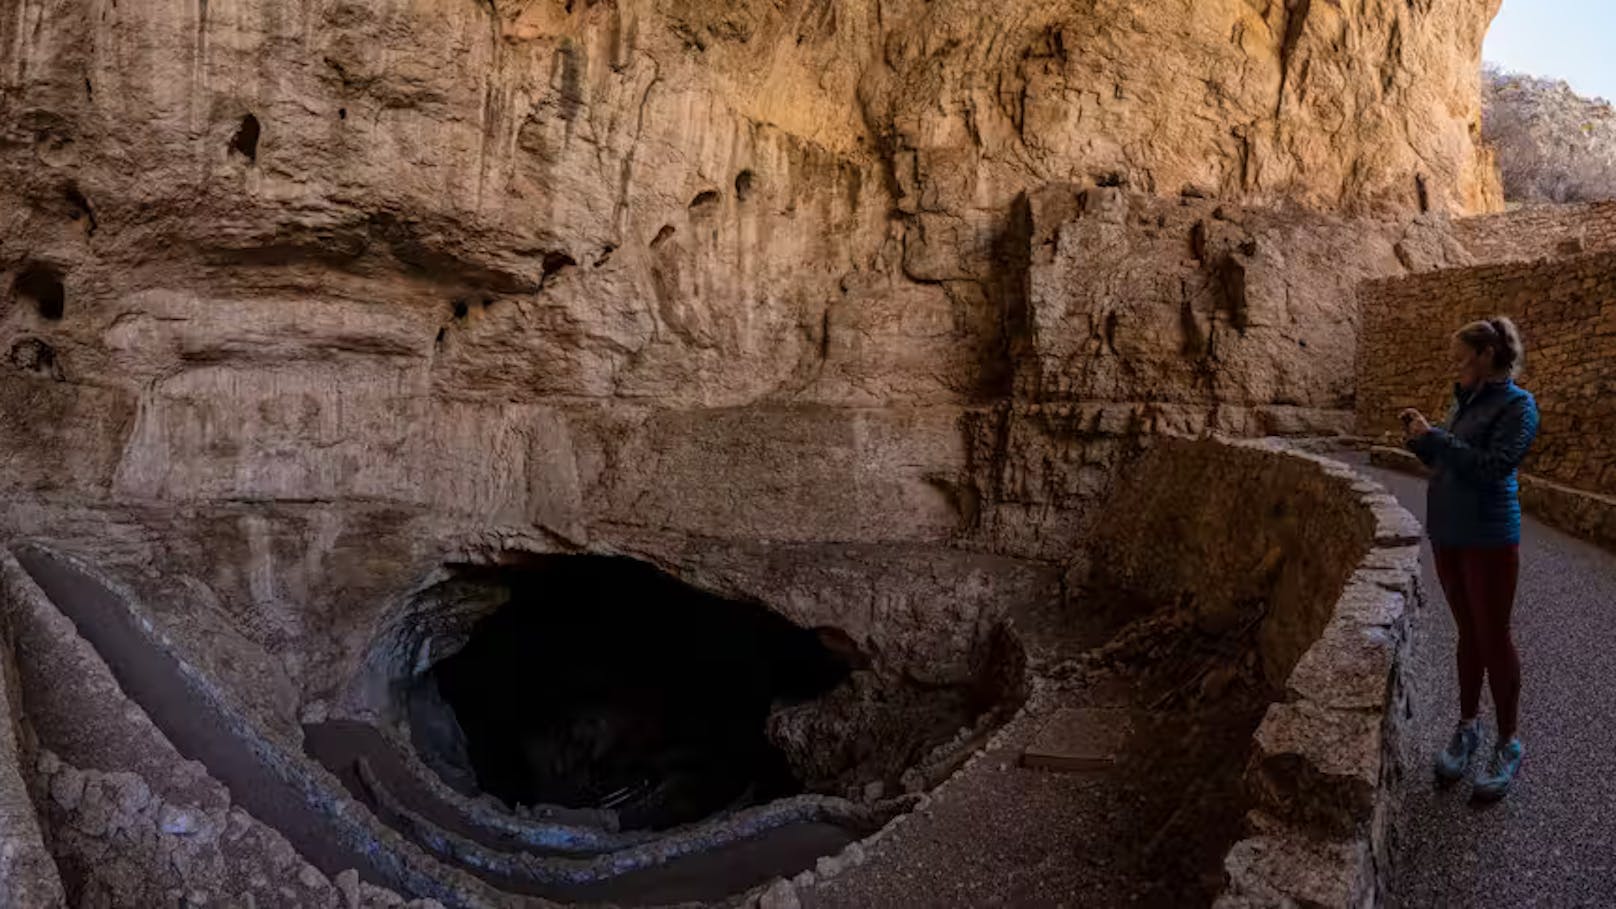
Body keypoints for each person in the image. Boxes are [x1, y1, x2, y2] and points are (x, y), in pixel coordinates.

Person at [1400, 316, 1539, 801]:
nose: (1455, 367)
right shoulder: (1466, 402)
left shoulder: (1519, 407)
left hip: (1488, 536)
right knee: (1467, 633)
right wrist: (1424, 444)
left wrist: (1437, 437)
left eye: (1462, 358)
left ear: (1484, 356)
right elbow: (1449, 461)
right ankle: (1467, 726)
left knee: (1493, 636)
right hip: (1450, 534)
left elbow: (1491, 467)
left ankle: (1507, 741)